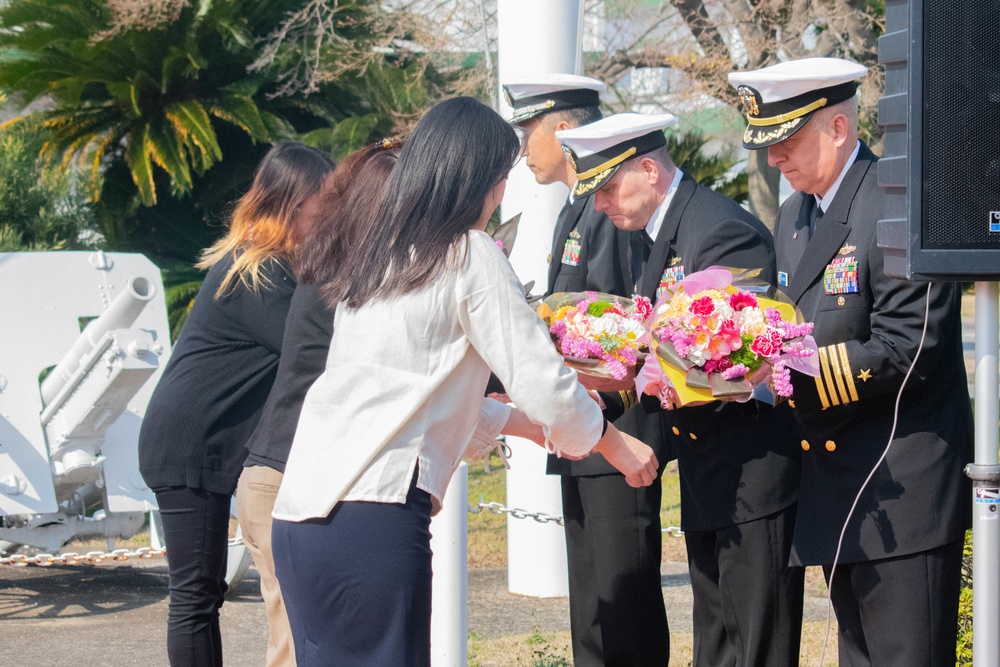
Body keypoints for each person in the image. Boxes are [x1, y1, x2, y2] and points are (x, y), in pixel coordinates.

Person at [269, 96, 659, 667]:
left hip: (303, 518)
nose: (502, 194)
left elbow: (412, 392)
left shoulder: (382, 257)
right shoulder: (467, 252)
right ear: (479, 179)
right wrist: (614, 442)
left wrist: (518, 425)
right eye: (502, 178)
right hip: (373, 517)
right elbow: (543, 380)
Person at [728, 57, 973, 667]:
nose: (773, 159)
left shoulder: (896, 201)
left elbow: (909, 344)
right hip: (836, 486)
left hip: (900, 488)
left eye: (785, 141)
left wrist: (783, 377)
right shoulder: (794, 216)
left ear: (837, 129)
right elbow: (787, 327)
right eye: (766, 145)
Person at [558, 113, 806, 666]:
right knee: (717, 645)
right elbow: (655, 352)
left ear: (649, 169)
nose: (598, 204)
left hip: (751, 471)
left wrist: (656, 375)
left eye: (607, 188)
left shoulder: (719, 229)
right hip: (709, 472)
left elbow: (742, 355)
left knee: (752, 648)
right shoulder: (657, 232)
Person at [138, 142, 334, 666]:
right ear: (294, 203)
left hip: (198, 439)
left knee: (200, 594)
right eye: (325, 199)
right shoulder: (259, 273)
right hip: (189, 443)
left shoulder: (264, 265)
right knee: (196, 595)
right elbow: (315, 349)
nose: (332, 210)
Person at [503, 74, 671, 666]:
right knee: (594, 610)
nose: (523, 146)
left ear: (566, 130)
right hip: (586, 429)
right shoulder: (577, 212)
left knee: (622, 609)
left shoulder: (611, 211)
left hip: (616, 427)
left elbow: (626, 324)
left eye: (529, 131)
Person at [234, 141, 401, 667]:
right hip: (284, 476)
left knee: (312, 642)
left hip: (284, 475)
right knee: (296, 647)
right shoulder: (343, 278)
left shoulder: (336, 267)